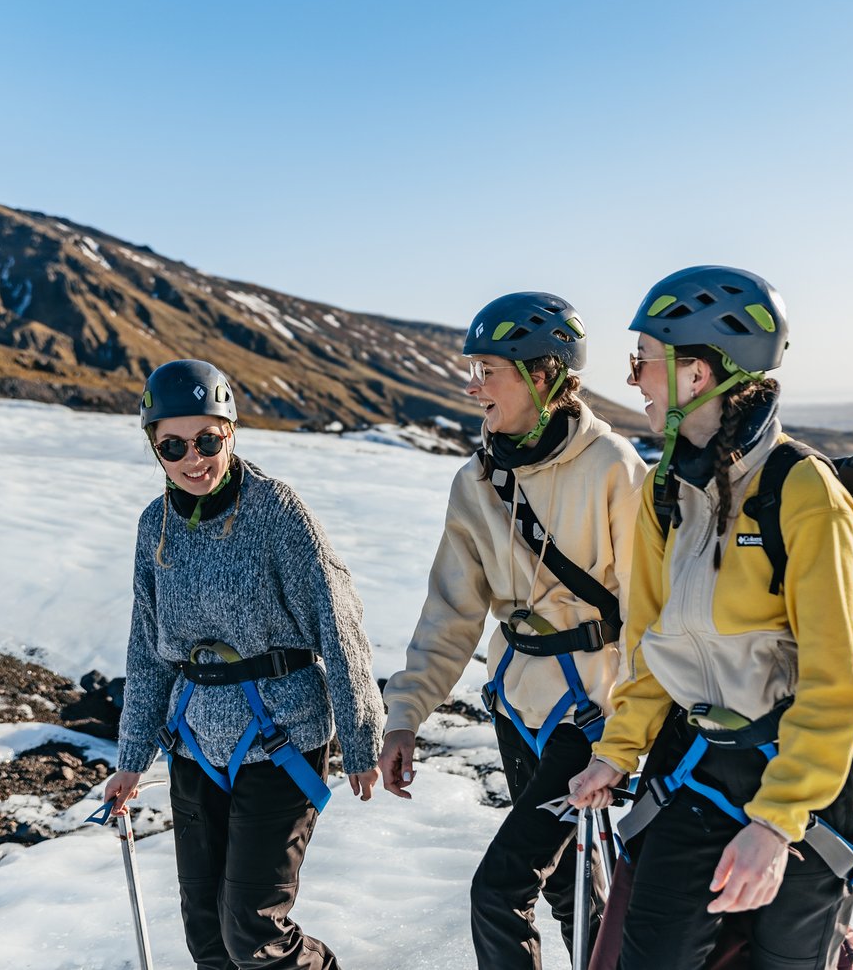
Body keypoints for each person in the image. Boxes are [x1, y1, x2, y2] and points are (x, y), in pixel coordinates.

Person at [568, 266, 853, 970]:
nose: (635, 379)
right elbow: (649, 648)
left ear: (698, 374)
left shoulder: (802, 493)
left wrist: (775, 825)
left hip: (806, 788)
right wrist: (617, 753)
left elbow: (834, 685)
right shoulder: (665, 492)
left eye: (643, 361)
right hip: (700, 769)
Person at [377, 293, 647, 970]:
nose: (473, 386)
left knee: (498, 891)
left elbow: (651, 608)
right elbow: (451, 611)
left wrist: (630, 734)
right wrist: (405, 717)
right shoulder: (477, 482)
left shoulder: (612, 466)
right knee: (567, 889)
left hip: (587, 713)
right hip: (515, 704)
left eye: (488, 370)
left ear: (543, 374)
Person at [104, 359, 385, 970]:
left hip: (282, 735)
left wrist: (361, 740)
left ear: (230, 431)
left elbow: (339, 626)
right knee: (207, 938)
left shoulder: (277, 513)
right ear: (155, 446)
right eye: (172, 445)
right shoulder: (155, 525)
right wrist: (131, 759)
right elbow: (147, 651)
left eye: (207, 439)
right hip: (195, 741)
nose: (192, 458)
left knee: (252, 933)